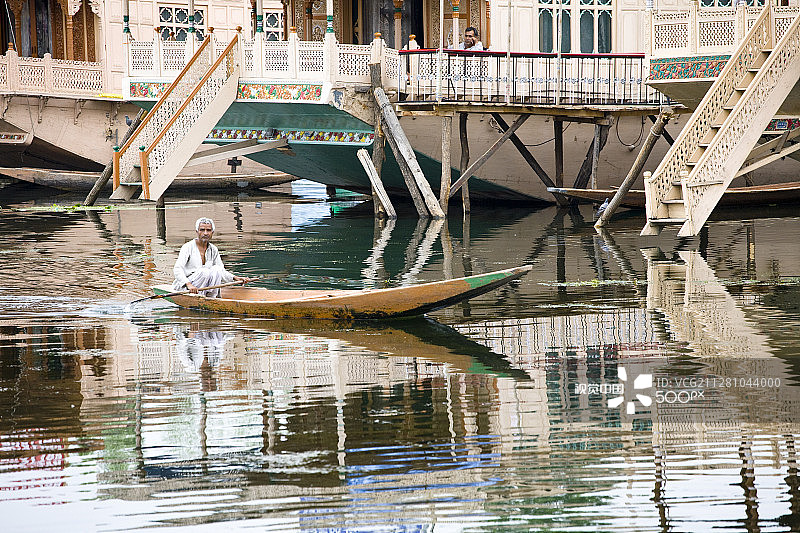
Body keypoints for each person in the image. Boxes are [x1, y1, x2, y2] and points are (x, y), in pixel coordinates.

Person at [173, 217, 253, 297]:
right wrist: (188, 284)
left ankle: (212, 297)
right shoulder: (188, 247)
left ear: (212, 232)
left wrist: (235, 278)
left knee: (217, 269)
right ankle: (199, 296)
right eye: (202, 230)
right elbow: (177, 269)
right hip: (187, 287)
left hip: (205, 287)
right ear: (197, 232)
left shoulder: (213, 249)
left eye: (208, 230)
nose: (205, 233)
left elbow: (221, 271)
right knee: (204, 271)